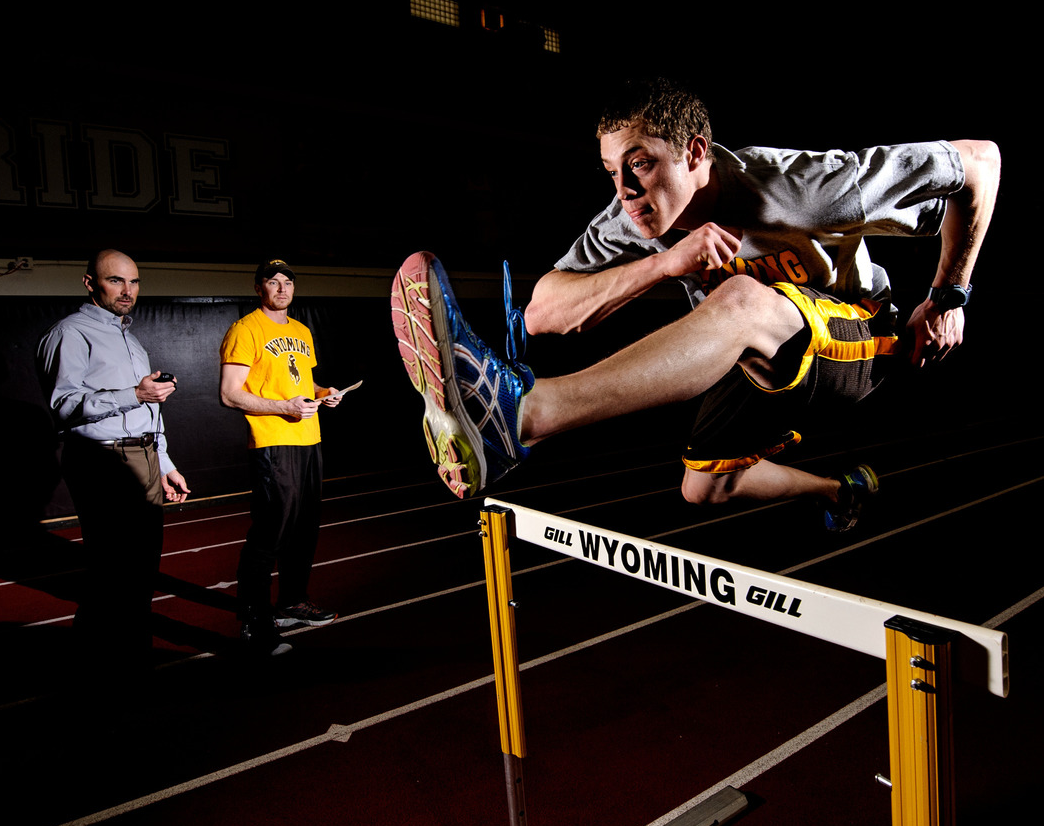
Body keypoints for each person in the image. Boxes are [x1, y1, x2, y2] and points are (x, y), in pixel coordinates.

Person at [392, 78, 999, 530]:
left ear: (695, 151)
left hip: (863, 345)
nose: (626, 193)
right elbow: (542, 312)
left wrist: (949, 296)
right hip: (764, 357)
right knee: (704, 487)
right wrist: (663, 263)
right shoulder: (633, 219)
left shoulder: (810, 186)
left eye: (640, 166)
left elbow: (980, 161)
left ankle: (526, 417)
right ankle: (838, 492)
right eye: (611, 172)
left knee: (740, 301)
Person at [38, 248, 190, 670]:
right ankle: (92, 665)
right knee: (111, 572)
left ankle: (133, 659)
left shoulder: (130, 338)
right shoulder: (71, 333)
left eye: (134, 282)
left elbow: (147, 410)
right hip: (99, 461)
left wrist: (165, 462)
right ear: (91, 283)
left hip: (142, 457)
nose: (128, 291)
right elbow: (64, 406)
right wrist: (135, 393)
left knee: (141, 571)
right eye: (116, 281)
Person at [219, 259, 343, 654]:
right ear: (259, 288)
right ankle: (255, 622)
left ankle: (292, 603)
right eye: (273, 282)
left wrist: (324, 393)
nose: (282, 288)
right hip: (273, 442)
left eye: (287, 281)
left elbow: (303, 382)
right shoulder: (245, 329)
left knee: (304, 530)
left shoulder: (302, 331)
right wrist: (283, 408)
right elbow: (230, 393)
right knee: (270, 532)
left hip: (309, 440)